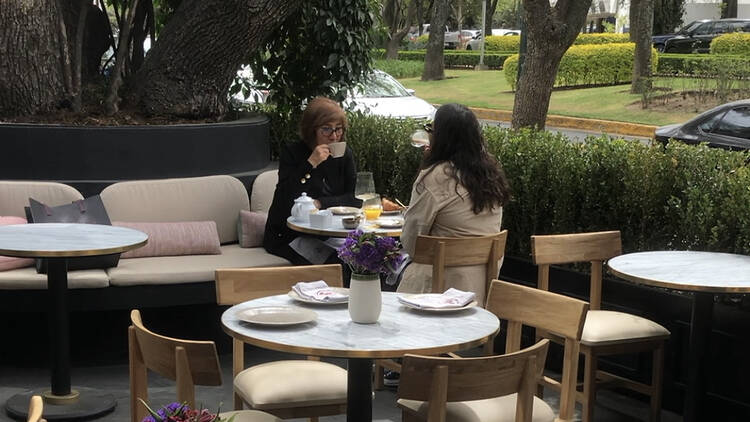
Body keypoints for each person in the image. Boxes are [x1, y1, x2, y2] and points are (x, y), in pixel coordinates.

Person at [396, 103, 512, 305]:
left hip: (436, 293)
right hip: (481, 293)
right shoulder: (491, 175)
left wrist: (428, 166)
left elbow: (411, 243)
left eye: (431, 130)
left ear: (440, 138)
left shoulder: (435, 177)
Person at [264, 97, 361, 265]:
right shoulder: (293, 152)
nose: (334, 136)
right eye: (326, 129)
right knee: (334, 263)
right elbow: (285, 198)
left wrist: (320, 203)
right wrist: (311, 164)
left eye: (338, 129)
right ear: (311, 130)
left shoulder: (344, 154)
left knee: (366, 256)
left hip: (330, 232)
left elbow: (354, 198)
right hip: (291, 234)